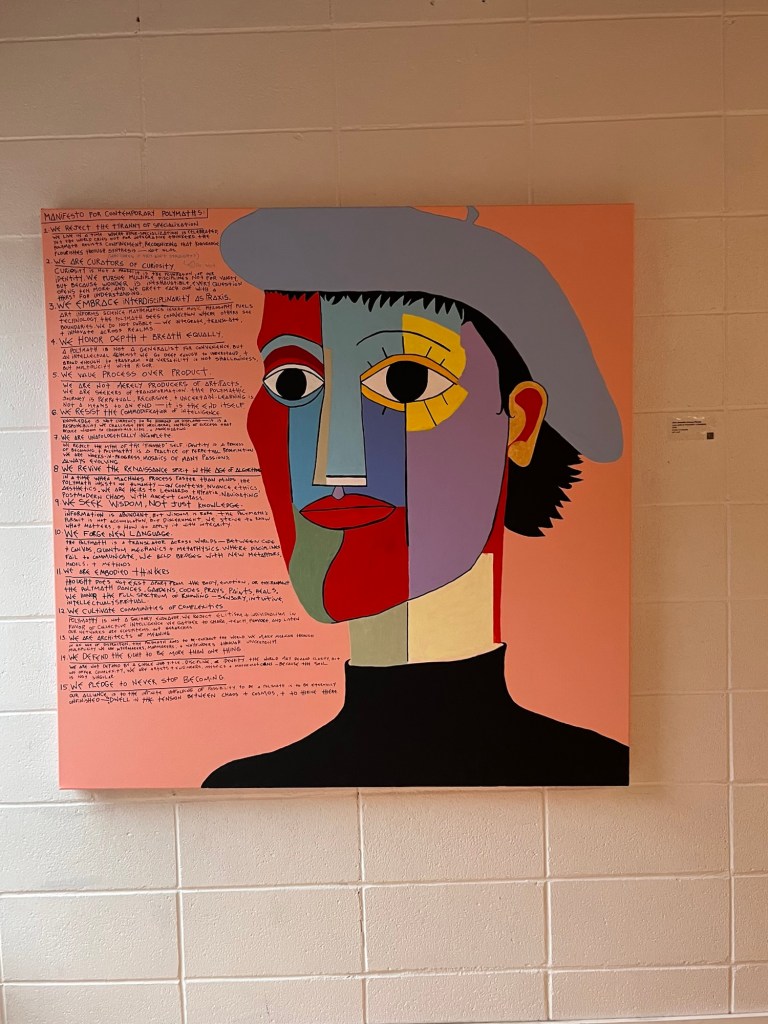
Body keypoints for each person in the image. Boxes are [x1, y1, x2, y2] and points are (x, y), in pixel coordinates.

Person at [202, 207, 628, 787]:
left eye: (407, 382)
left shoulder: (595, 770)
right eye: (293, 382)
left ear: (520, 423)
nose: (337, 464)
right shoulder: (245, 789)